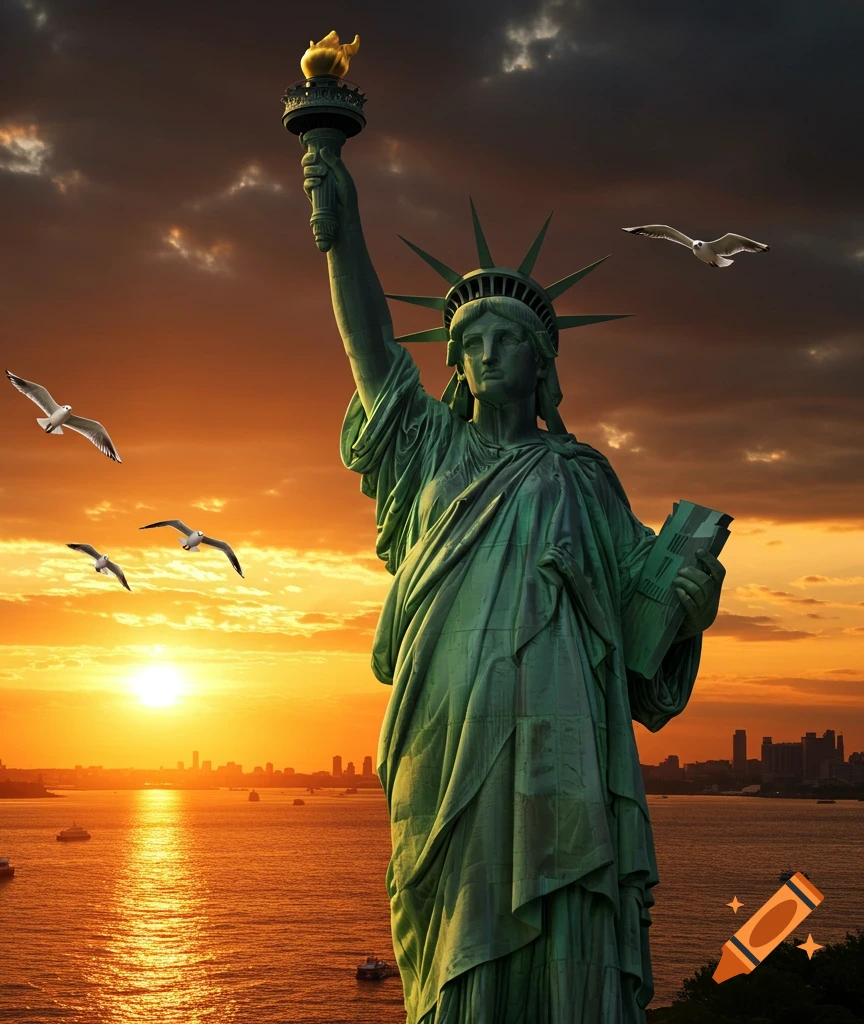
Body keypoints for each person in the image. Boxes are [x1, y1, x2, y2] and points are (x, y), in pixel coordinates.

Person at [301, 147, 725, 1024]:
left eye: (507, 342)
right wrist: (339, 223)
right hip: (444, 719)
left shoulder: (582, 474)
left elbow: (641, 622)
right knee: (451, 905)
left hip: (564, 727)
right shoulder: (427, 449)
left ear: (543, 365)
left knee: (571, 904)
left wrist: (689, 595)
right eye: (470, 345)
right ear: (453, 364)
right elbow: (370, 345)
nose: (486, 356)